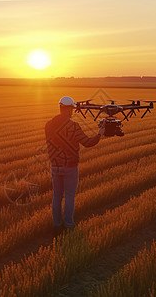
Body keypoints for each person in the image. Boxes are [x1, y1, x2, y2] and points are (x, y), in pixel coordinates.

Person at [45, 96, 105, 233]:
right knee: (70, 196)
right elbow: (88, 143)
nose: (72, 112)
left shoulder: (48, 125)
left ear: (60, 107)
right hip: (70, 167)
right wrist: (99, 134)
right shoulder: (74, 127)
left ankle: (56, 224)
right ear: (69, 110)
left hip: (55, 165)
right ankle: (69, 224)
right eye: (71, 109)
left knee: (57, 195)